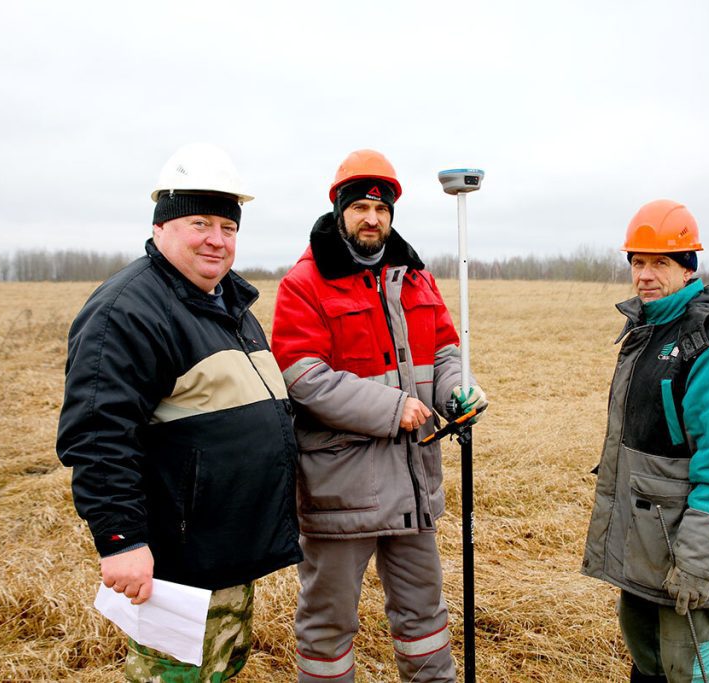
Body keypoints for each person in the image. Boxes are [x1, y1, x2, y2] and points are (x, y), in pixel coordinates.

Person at [56, 143, 302, 681]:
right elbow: (98, 436)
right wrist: (122, 540)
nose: (217, 239)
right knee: (175, 673)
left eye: (228, 227)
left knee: (219, 668)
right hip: (177, 562)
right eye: (200, 223)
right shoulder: (128, 311)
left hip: (228, 548)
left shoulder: (229, 303)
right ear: (162, 227)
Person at [271, 149, 488, 683]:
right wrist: (393, 409)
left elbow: (444, 352)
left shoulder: (416, 278)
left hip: (413, 484)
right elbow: (304, 379)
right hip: (341, 488)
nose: (372, 217)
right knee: (328, 625)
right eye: (361, 206)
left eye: (382, 208)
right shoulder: (305, 284)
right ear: (340, 210)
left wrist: (457, 391)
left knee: (426, 618)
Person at [581, 199, 709, 683]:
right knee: (650, 667)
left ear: (688, 268)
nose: (644, 274)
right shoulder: (651, 327)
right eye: (637, 262)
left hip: (684, 558)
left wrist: (698, 566)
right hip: (646, 551)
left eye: (660, 262)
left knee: (698, 674)